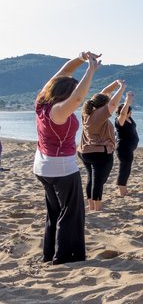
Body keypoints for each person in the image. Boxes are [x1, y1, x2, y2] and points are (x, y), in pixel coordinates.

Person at [33, 51, 101, 264]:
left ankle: (49, 253)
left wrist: (81, 58)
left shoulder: (42, 102)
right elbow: (79, 97)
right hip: (61, 169)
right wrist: (90, 70)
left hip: (42, 166)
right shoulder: (58, 111)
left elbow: (64, 72)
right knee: (71, 213)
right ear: (65, 95)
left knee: (54, 211)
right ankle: (64, 257)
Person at [78, 79, 126, 211]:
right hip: (98, 153)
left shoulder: (88, 111)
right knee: (98, 180)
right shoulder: (99, 114)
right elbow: (113, 103)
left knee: (92, 178)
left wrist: (115, 84)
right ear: (103, 105)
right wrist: (122, 88)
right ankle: (97, 207)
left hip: (85, 151)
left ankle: (91, 206)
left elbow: (104, 94)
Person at [115, 91, 138, 197]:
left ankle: (123, 188)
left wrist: (127, 101)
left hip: (128, 149)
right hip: (123, 148)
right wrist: (127, 102)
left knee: (127, 168)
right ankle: (121, 191)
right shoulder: (120, 120)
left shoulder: (129, 118)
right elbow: (123, 113)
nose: (130, 113)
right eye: (129, 111)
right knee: (124, 168)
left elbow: (125, 112)